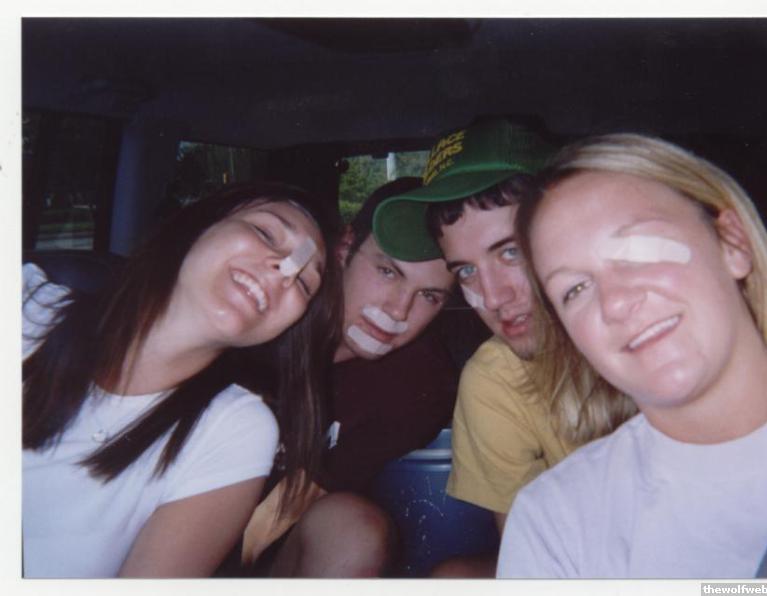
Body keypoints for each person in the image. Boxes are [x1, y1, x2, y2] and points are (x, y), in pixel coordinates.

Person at [499, 133, 767, 578]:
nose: (616, 303)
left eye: (638, 248)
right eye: (575, 289)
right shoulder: (556, 523)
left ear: (732, 244)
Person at [22, 182, 341, 578]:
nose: (285, 269)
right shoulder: (25, 304)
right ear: (199, 225)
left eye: (306, 283)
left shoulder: (234, 432)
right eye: (265, 232)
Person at [373, 117, 629, 577]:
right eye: (466, 271)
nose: (492, 298)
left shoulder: (664, 324)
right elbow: (531, 564)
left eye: (510, 252)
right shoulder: (496, 379)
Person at [234, 177, 457, 577]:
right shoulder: (269, 316)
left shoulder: (417, 380)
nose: (399, 310)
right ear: (344, 247)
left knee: (353, 530)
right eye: (387, 271)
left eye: (429, 296)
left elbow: (289, 505)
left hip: (264, 556)